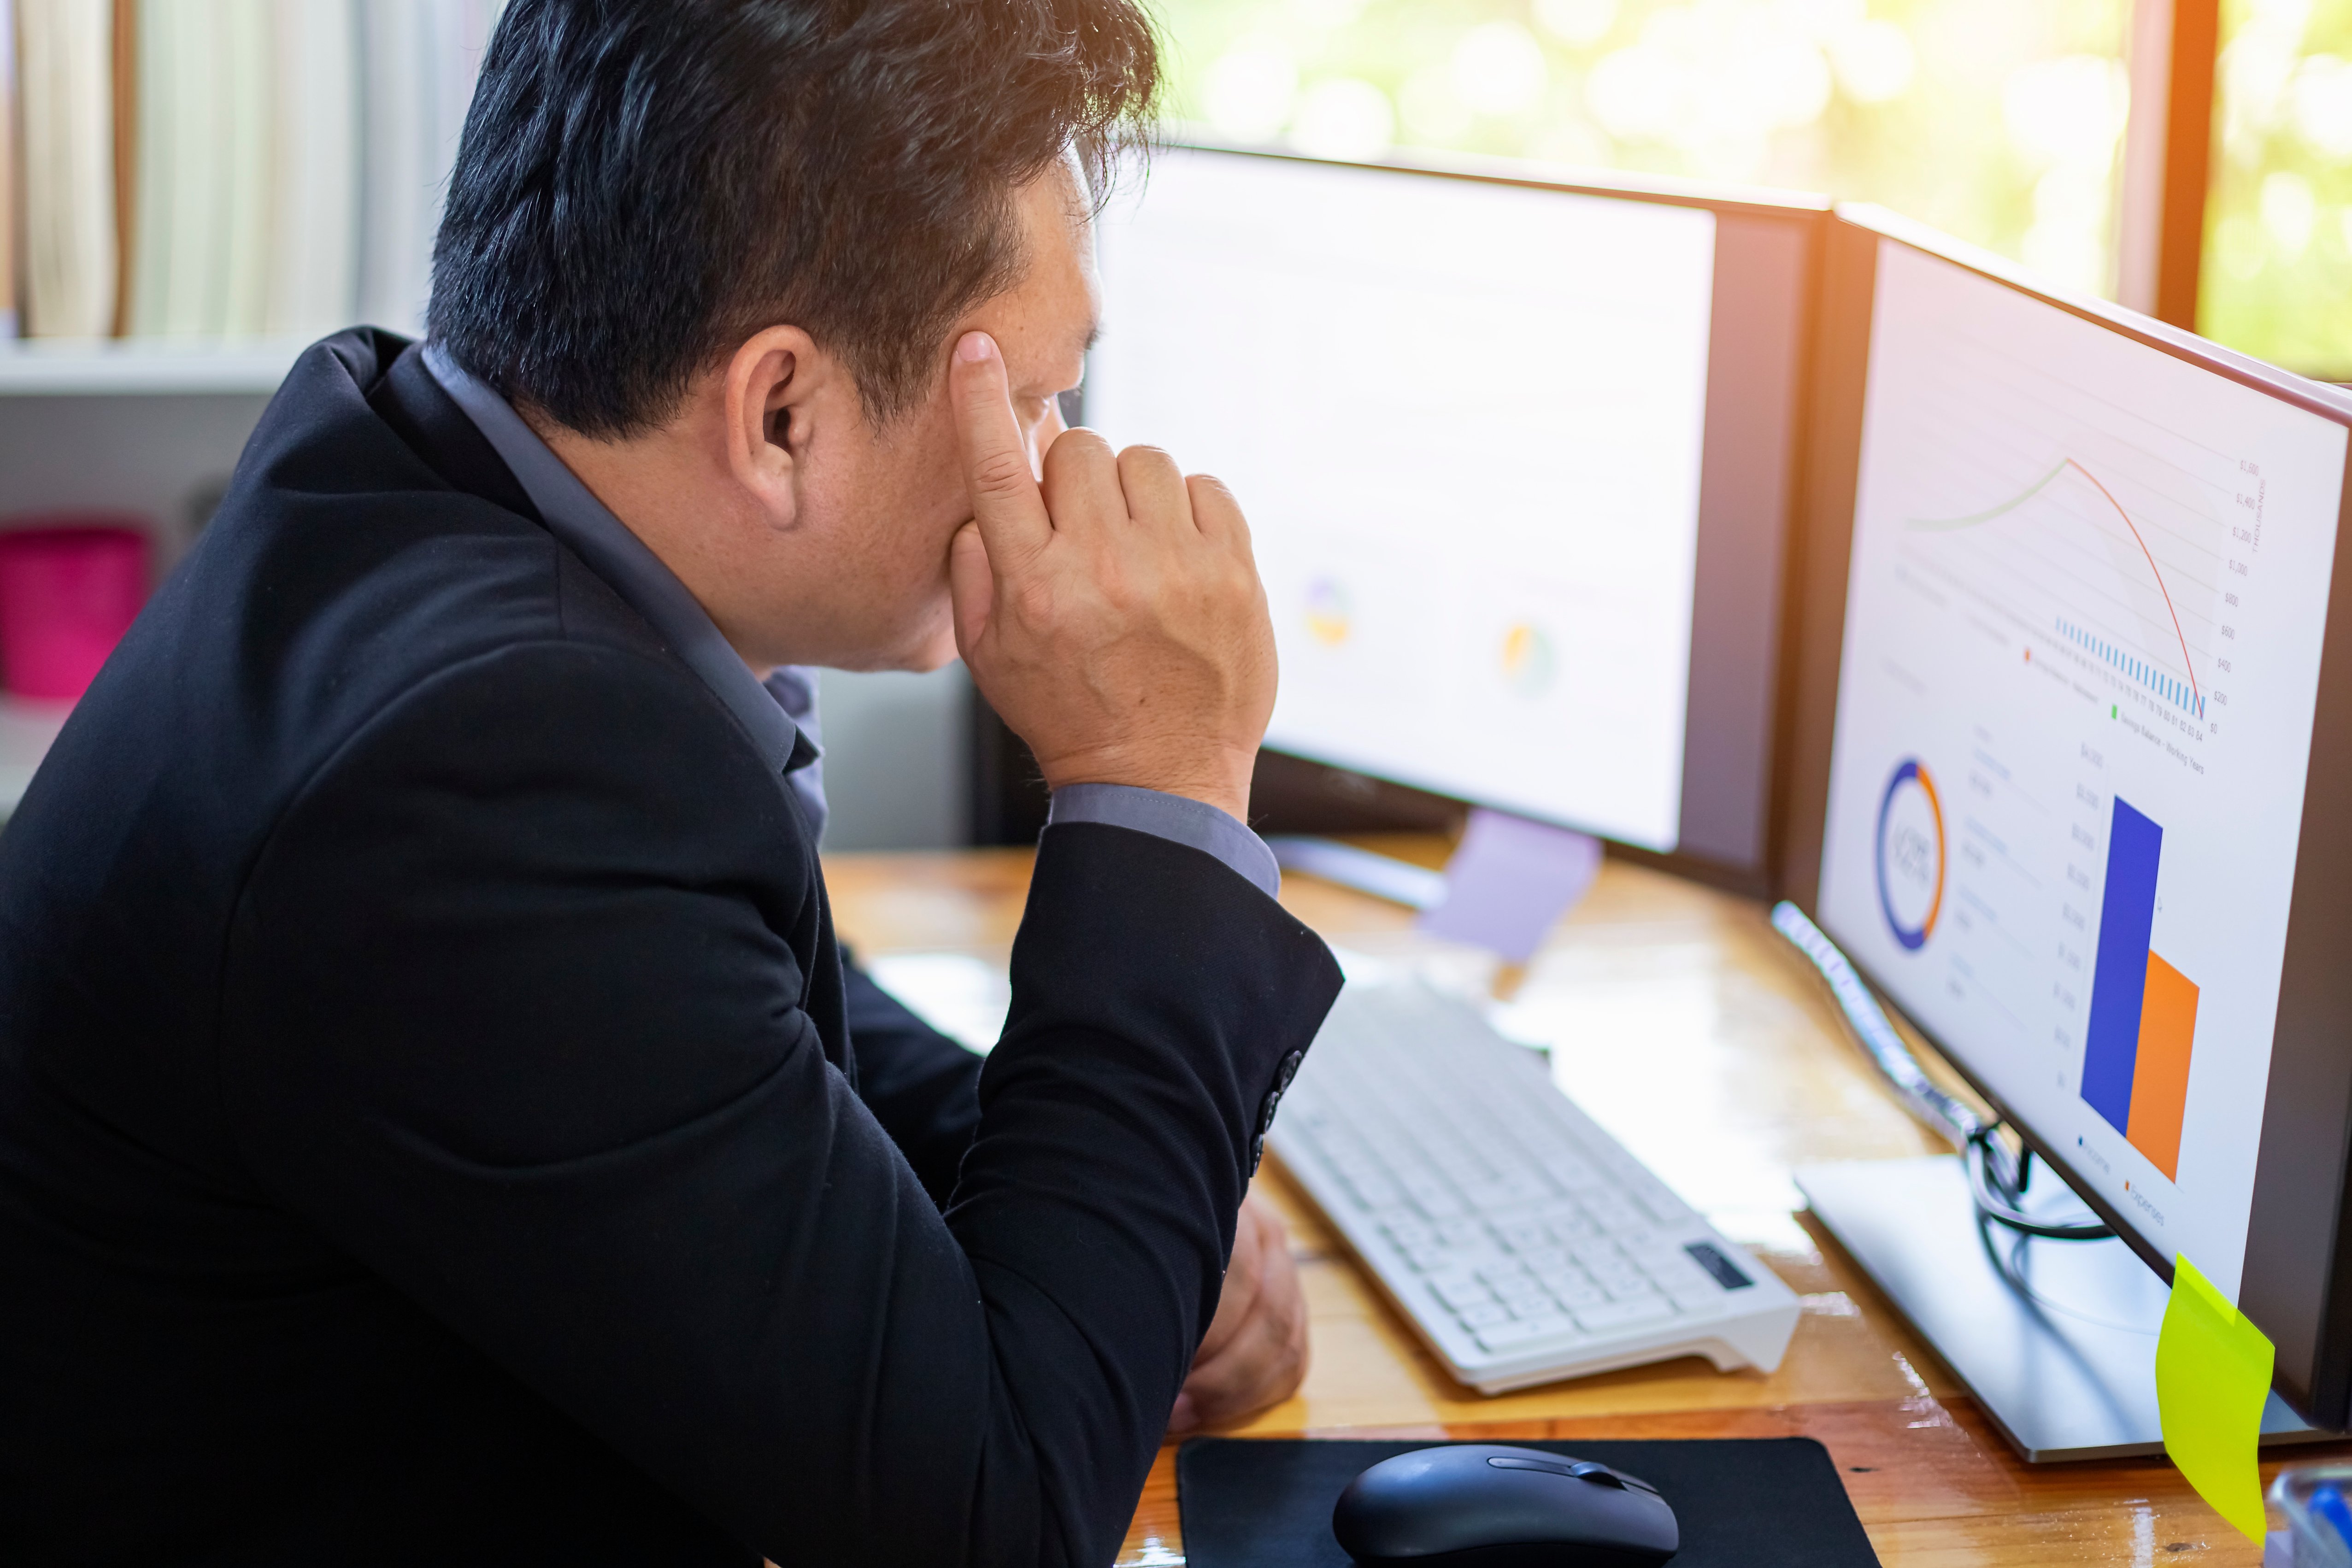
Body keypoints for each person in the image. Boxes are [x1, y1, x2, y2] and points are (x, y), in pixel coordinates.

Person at [0, 2, 1343, 1563]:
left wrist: (1115, 1230)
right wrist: (1158, 774)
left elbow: (726, 1025)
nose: (1052, 469)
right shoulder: (486, 775)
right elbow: (1005, 1522)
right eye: (1036, 398)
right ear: (781, 415)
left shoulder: (408, 486)